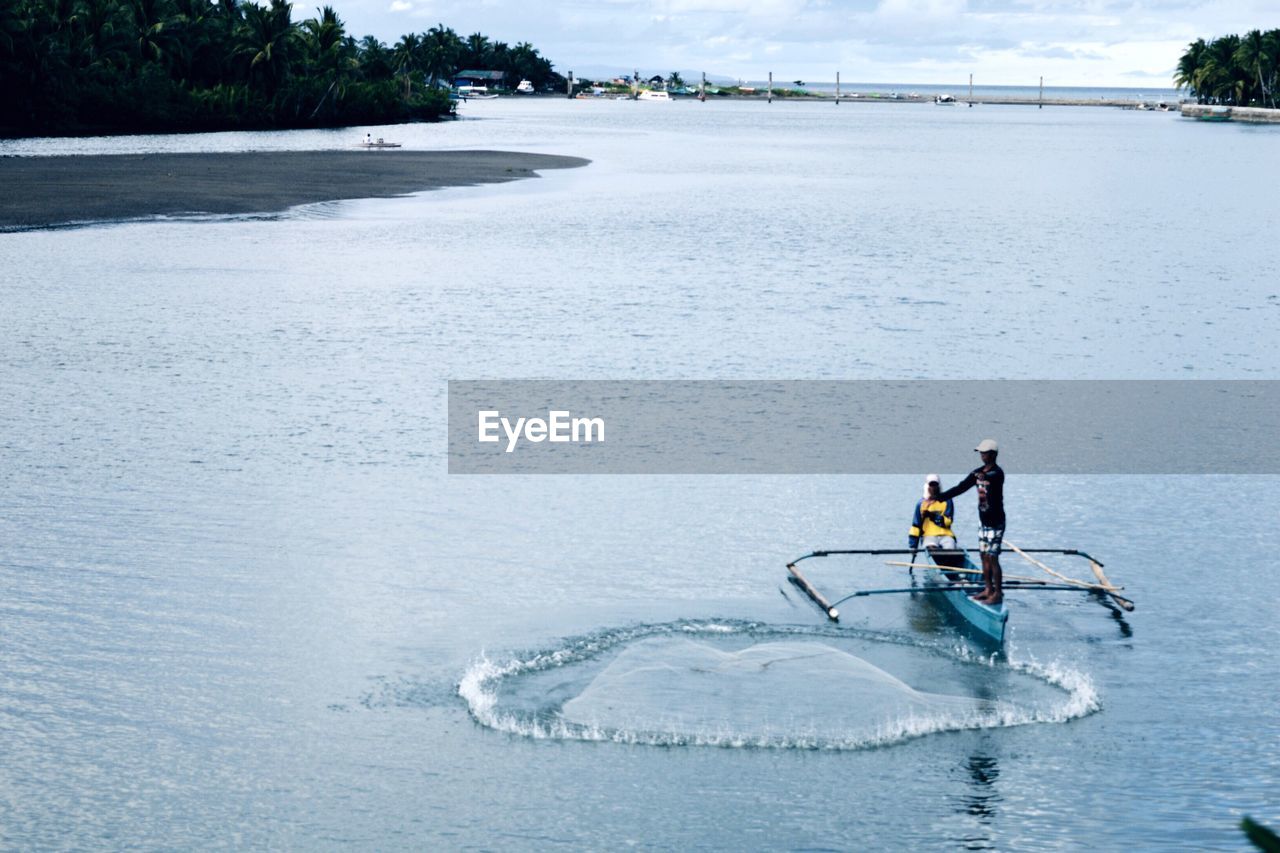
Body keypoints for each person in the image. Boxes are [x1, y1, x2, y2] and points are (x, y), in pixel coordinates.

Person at [937, 439, 1005, 604]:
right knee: (983, 556)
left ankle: (997, 593)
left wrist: (983, 476)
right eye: (980, 452)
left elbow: (992, 477)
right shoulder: (977, 472)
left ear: (993, 454)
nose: (982, 455)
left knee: (993, 557)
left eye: (985, 452)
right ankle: (988, 589)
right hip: (983, 522)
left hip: (996, 522)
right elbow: (960, 488)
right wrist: (940, 497)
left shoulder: (997, 473)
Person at [908, 474, 956, 552]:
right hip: (928, 536)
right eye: (931, 485)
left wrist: (932, 516)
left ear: (939, 486)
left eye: (935, 485)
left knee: (950, 548)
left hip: (946, 535)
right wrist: (913, 545)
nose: (933, 488)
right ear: (927, 486)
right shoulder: (921, 504)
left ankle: (950, 560)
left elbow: (948, 521)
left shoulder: (947, 501)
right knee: (932, 548)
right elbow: (916, 526)